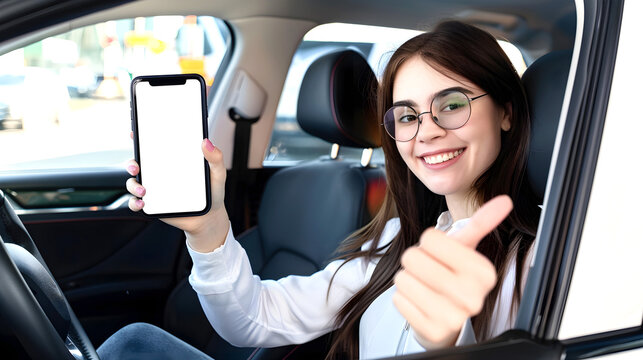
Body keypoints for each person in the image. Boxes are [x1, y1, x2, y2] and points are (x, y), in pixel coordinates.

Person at [112, 20, 540, 360]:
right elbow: (255, 319)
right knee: (134, 343)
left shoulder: (545, 261)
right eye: (407, 116)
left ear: (505, 111)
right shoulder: (393, 241)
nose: (426, 131)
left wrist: (446, 345)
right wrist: (207, 232)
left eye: (451, 104)